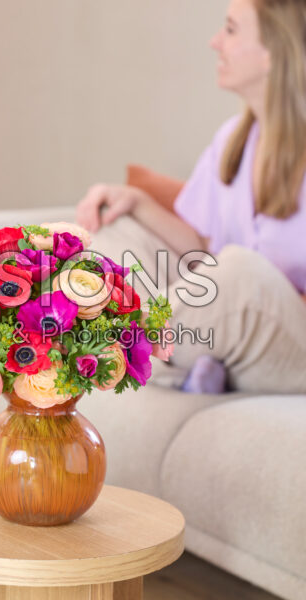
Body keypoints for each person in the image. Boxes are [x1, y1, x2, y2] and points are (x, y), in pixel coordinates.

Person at [75, 0, 306, 394]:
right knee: (120, 234)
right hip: (233, 333)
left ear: (275, 50)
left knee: (240, 273)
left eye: (231, 30)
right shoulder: (234, 139)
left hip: (288, 342)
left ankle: (94, 341)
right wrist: (136, 202)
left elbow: (230, 275)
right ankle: (165, 361)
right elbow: (203, 249)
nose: (215, 42)